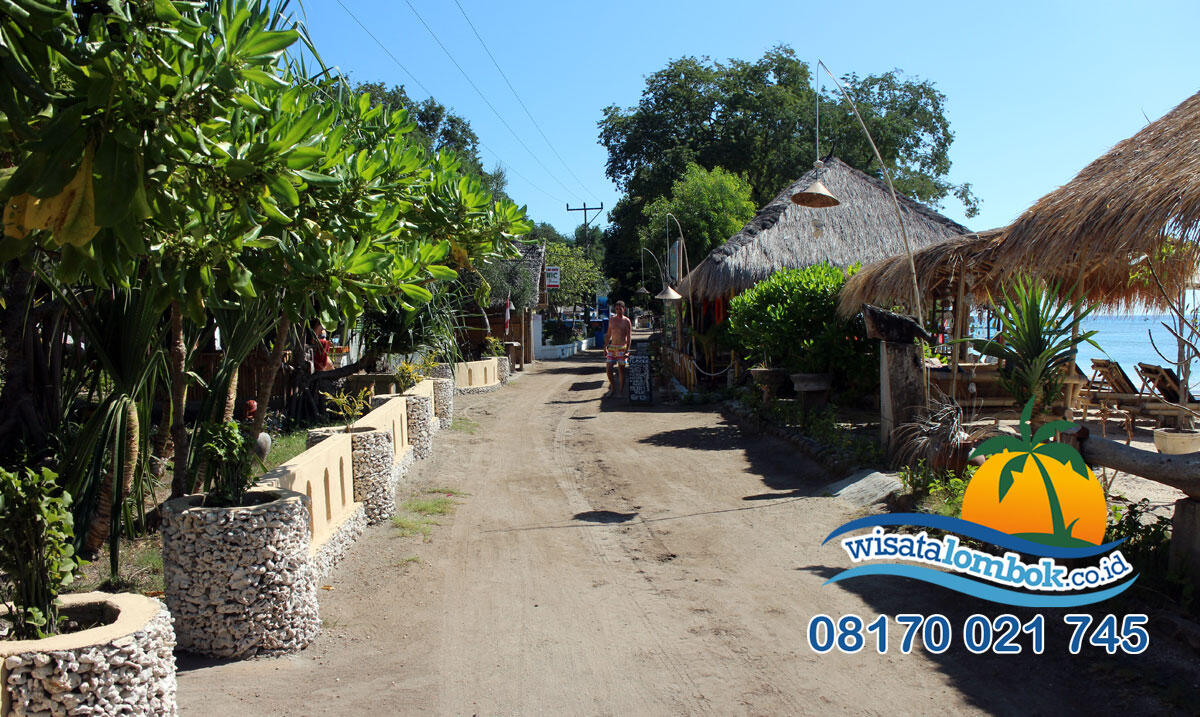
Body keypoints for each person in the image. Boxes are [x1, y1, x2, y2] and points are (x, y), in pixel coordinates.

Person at [605, 300, 633, 398]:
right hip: (612, 347)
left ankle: (620, 391)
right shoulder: (611, 319)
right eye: (617, 309)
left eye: (620, 309)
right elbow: (608, 334)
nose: (618, 311)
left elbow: (629, 337)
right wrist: (605, 347)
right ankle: (613, 388)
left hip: (622, 348)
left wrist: (627, 350)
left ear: (623, 309)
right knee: (608, 369)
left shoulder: (627, 321)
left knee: (621, 370)